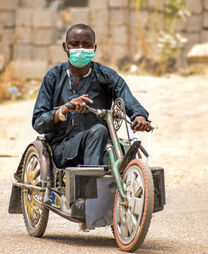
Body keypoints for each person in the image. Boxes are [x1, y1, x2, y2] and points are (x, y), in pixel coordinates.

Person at [32, 24, 151, 168]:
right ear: (65, 47)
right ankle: (90, 183)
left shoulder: (107, 76)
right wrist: (63, 110)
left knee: (122, 154)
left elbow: (128, 99)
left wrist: (139, 117)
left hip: (102, 146)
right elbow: (38, 122)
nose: (81, 49)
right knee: (99, 130)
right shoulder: (53, 77)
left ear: (94, 48)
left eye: (86, 45)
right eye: (75, 44)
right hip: (62, 149)